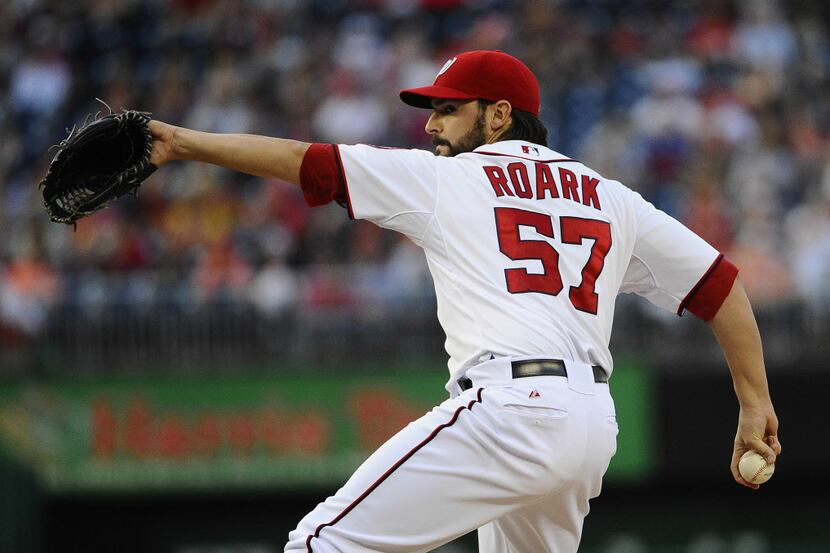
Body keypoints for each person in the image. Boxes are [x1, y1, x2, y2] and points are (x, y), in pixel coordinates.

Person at [147, 50, 781, 553]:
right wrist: (754, 401)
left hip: (511, 408)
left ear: (498, 115)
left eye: (447, 109)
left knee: (323, 544)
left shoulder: (449, 179)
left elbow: (303, 160)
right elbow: (719, 283)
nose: (430, 124)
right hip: (590, 423)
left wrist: (181, 142)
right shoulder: (608, 195)